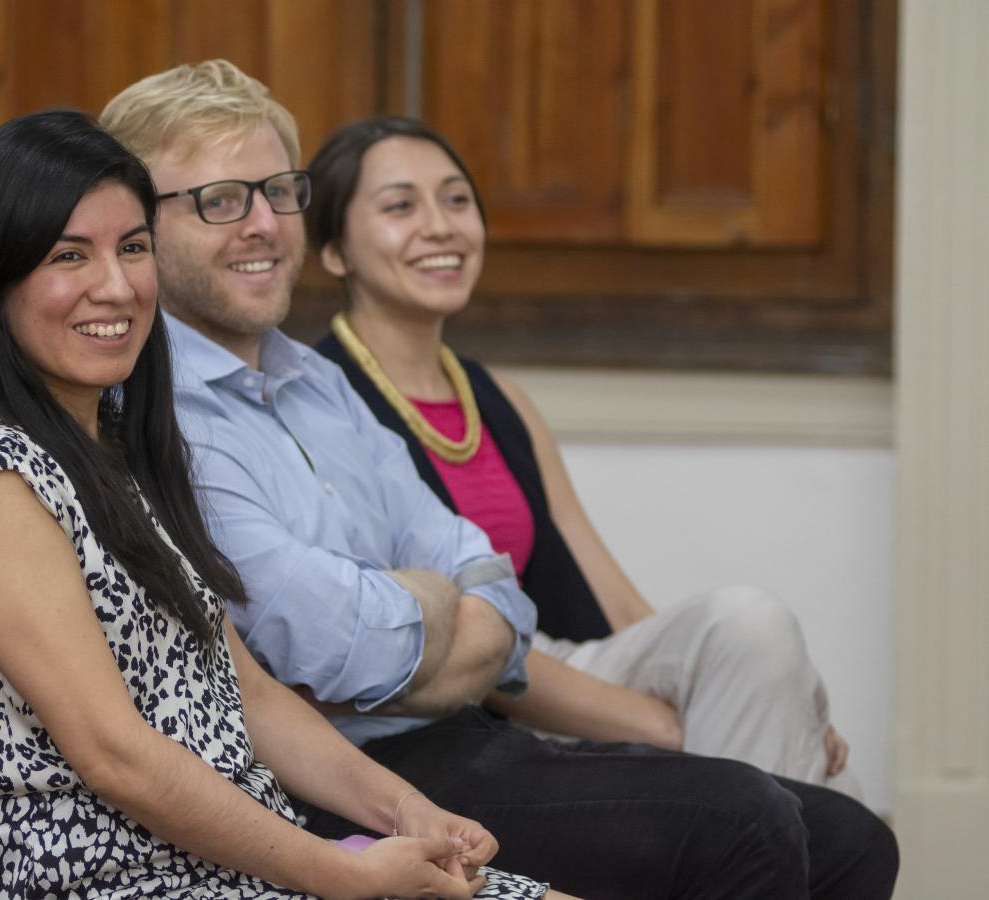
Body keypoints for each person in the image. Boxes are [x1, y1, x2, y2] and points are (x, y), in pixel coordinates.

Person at [99, 59, 899, 898]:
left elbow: (497, 593)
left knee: (851, 839)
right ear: (140, 230)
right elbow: (321, 644)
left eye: (278, 191)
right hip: (338, 781)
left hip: (459, 729)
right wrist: (443, 607)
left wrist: (440, 619)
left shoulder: (316, 383)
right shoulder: (159, 411)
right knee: (743, 816)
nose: (261, 223)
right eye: (220, 200)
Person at [0, 109, 558, 899]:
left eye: (132, 247)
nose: (117, 286)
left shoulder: (110, 446)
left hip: (215, 865)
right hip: (111, 880)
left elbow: (251, 694)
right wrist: (345, 874)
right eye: (70, 255)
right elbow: (114, 754)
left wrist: (409, 812)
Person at [303, 114, 857, 792]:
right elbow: (444, 653)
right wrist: (659, 720)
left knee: (751, 630)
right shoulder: (321, 403)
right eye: (399, 206)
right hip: (463, 709)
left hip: (566, 661)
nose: (441, 226)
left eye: (455, 199)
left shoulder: (496, 396)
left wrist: (758, 684)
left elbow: (615, 599)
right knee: (830, 793)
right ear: (334, 250)